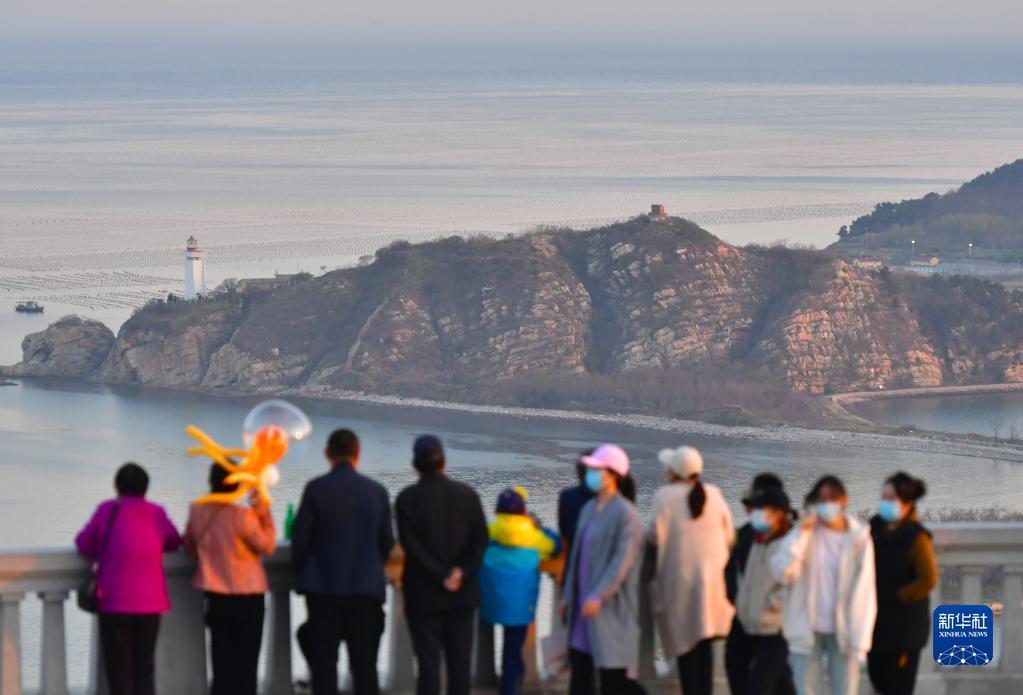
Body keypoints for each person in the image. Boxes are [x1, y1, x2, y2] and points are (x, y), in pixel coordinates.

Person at [292, 429, 395, 695]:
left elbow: (300, 541)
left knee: (325, 668)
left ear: (328, 454)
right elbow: (386, 544)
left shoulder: (316, 489)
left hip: (323, 591)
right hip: (366, 591)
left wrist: (302, 576)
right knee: (365, 668)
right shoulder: (377, 492)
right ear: (358, 455)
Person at [75, 463, 182, 695]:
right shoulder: (156, 513)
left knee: (118, 669)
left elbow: (83, 543)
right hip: (150, 604)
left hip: (114, 602)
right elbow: (174, 541)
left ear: (117, 487)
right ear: (145, 488)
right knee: (144, 669)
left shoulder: (107, 511)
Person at [396, 435, 489, 695]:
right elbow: (481, 539)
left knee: (428, 665)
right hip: (462, 594)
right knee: (460, 666)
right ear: (443, 462)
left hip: (422, 595)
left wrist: (441, 574)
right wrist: (460, 572)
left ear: (415, 464)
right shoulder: (467, 495)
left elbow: (411, 547)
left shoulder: (406, 499)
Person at [771, 475, 876, 695]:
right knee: (805, 690)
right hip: (805, 627)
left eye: (832, 498)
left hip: (844, 630)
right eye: (822, 498)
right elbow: (782, 573)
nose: (827, 503)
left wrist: (861, 640)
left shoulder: (858, 538)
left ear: (844, 499)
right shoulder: (804, 533)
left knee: (845, 690)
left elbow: (865, 592)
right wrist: (801, 534)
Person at [648, 446, 735, 695]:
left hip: (679, 585)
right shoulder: (714, 494)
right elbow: (729, 535)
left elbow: (655, 535)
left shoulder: (665, 496)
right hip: (712, 586)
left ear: (673, 472)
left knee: (685, 648)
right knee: (705, 649)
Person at [183, 463, 276, 695]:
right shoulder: (243, 516)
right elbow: (268, 545)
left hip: (217, 597)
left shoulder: (198, 512)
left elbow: (189, 547)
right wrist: (262, 509)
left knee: (221, 663)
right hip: (249, 598)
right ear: (237, 484)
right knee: (247, 664)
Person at [561, 444, 647, 695]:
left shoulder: (625, 514)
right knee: (580, 675)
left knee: (614, 681)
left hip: (610, 608)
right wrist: (568, 594)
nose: (591, 473)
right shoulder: (590, 508)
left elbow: (621, 562)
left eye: (596, 469)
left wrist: (598, 594)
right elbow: (576, 557)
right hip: (583, 608)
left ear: (612, 475)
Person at [479, 487, 561, 695]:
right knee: (513, 652)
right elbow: (554, 546)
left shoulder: (488, 531)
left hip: (490, 602)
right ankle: (510, 689)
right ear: (523, 511)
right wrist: (541, 528)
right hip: (521, 605)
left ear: (497, 510)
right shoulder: (533, 536)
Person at [867, 472, 937, 695]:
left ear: (907, 503)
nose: (885, 503)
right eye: (884, 497)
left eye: (891, 499)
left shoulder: (916, 537)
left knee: (897, 687)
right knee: (878, 680)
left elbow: (928, 578)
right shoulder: (875, 531)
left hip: (905, 630)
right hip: (877, 625)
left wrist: (899, 596)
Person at [733, 486, 797, 695]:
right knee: (782, 685)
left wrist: (771, 604)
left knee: (758, 688)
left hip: (775, 629)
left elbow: (794, 583)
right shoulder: (759, 541)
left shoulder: (788, 544)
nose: (757, 514)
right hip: (754, 626)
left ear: (778, 513)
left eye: (763, 509)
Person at [725, 473, 784, 695]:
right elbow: (732, 570)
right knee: (736, 666)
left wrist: (771, 605)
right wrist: (736, 601)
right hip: (744, 617)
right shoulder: (747, 534)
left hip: (773, 624)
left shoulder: (788, 540)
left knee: (766, 681)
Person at [558, 450, 596, 550]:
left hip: (572, 559)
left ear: (578, 474)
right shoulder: (612, 502)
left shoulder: (566, 496)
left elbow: (564, 533)